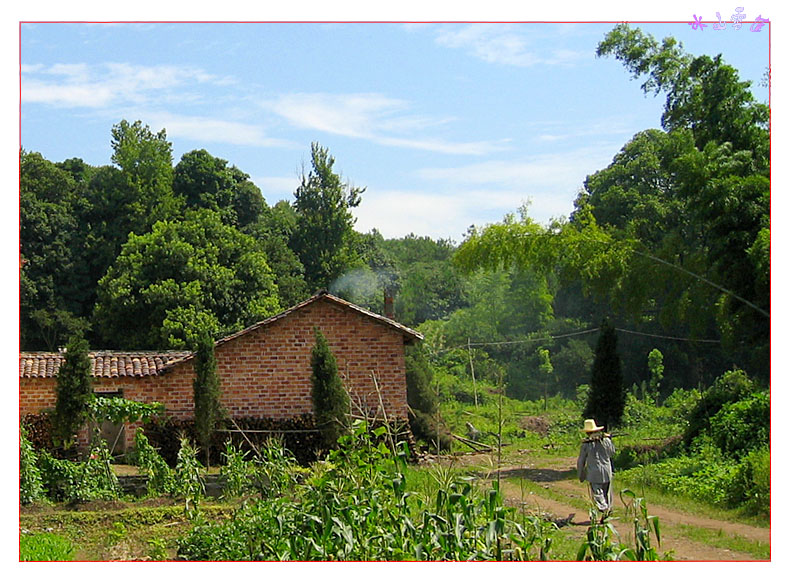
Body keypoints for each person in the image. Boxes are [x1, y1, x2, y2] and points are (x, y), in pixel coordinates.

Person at [577, 418, 615, 519]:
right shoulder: (605, 440)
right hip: (607, 471)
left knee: (598, 493)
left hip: (594, 473)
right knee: (607, 493)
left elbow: (581, 461)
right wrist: (608, 440)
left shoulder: (586, 444)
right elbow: (612, 453)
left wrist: (581, 474)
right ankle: (607, 511)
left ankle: (604, 509)